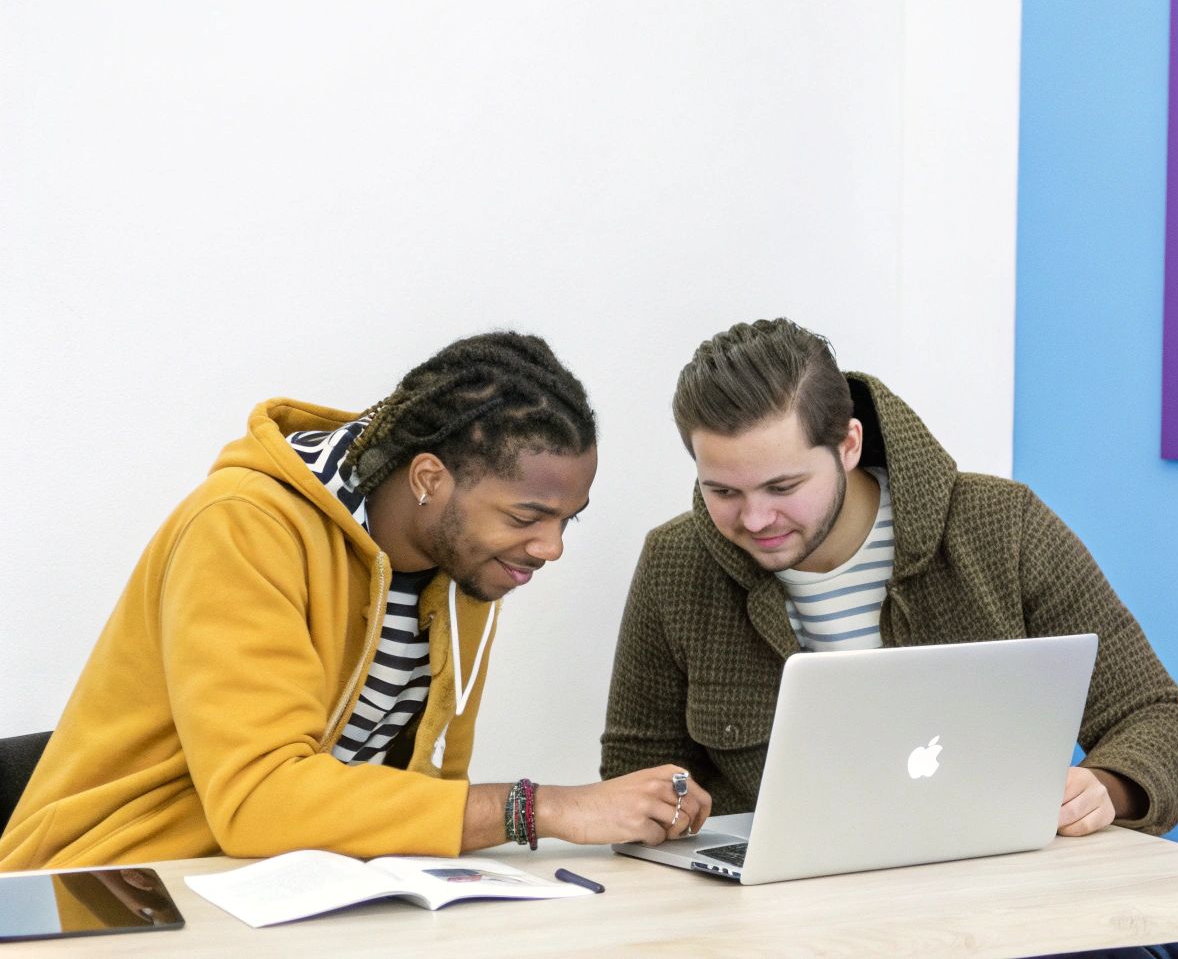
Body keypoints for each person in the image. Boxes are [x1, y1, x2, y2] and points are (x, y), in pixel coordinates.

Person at [0, 332, 708, 872]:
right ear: (429, 477)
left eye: (566, 520)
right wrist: (542, 808)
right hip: (116, 885)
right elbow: (260, 801)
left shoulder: (461, 563)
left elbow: (425, 785)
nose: (550, 548)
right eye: (527, 518)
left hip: (283, 886)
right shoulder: (245, 526)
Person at [600, 319, 1178, 837]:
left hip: (994, 898)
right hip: (780, 918)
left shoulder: (1001, 527)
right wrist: (663, 811)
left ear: (848, 445)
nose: (756, 519)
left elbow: (1162, 721)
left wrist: (1107, 786)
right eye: (723, 491)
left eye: (784, 487)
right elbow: (636, 769)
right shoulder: (675, 563)